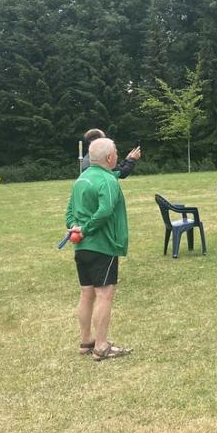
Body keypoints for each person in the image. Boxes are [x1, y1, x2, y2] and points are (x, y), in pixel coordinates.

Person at [67, 137, 132, 360]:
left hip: (81, 248)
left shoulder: (81, 179)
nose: (117, 155)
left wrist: (75, 227)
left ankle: (86, 341)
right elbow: (105, 211)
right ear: (109, 157)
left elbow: (69, 211)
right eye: (116, 152)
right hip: (103, 246)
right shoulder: (108, 180)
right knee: (104, 294)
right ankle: (101, 346)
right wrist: (85, 229)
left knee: (87, 293)